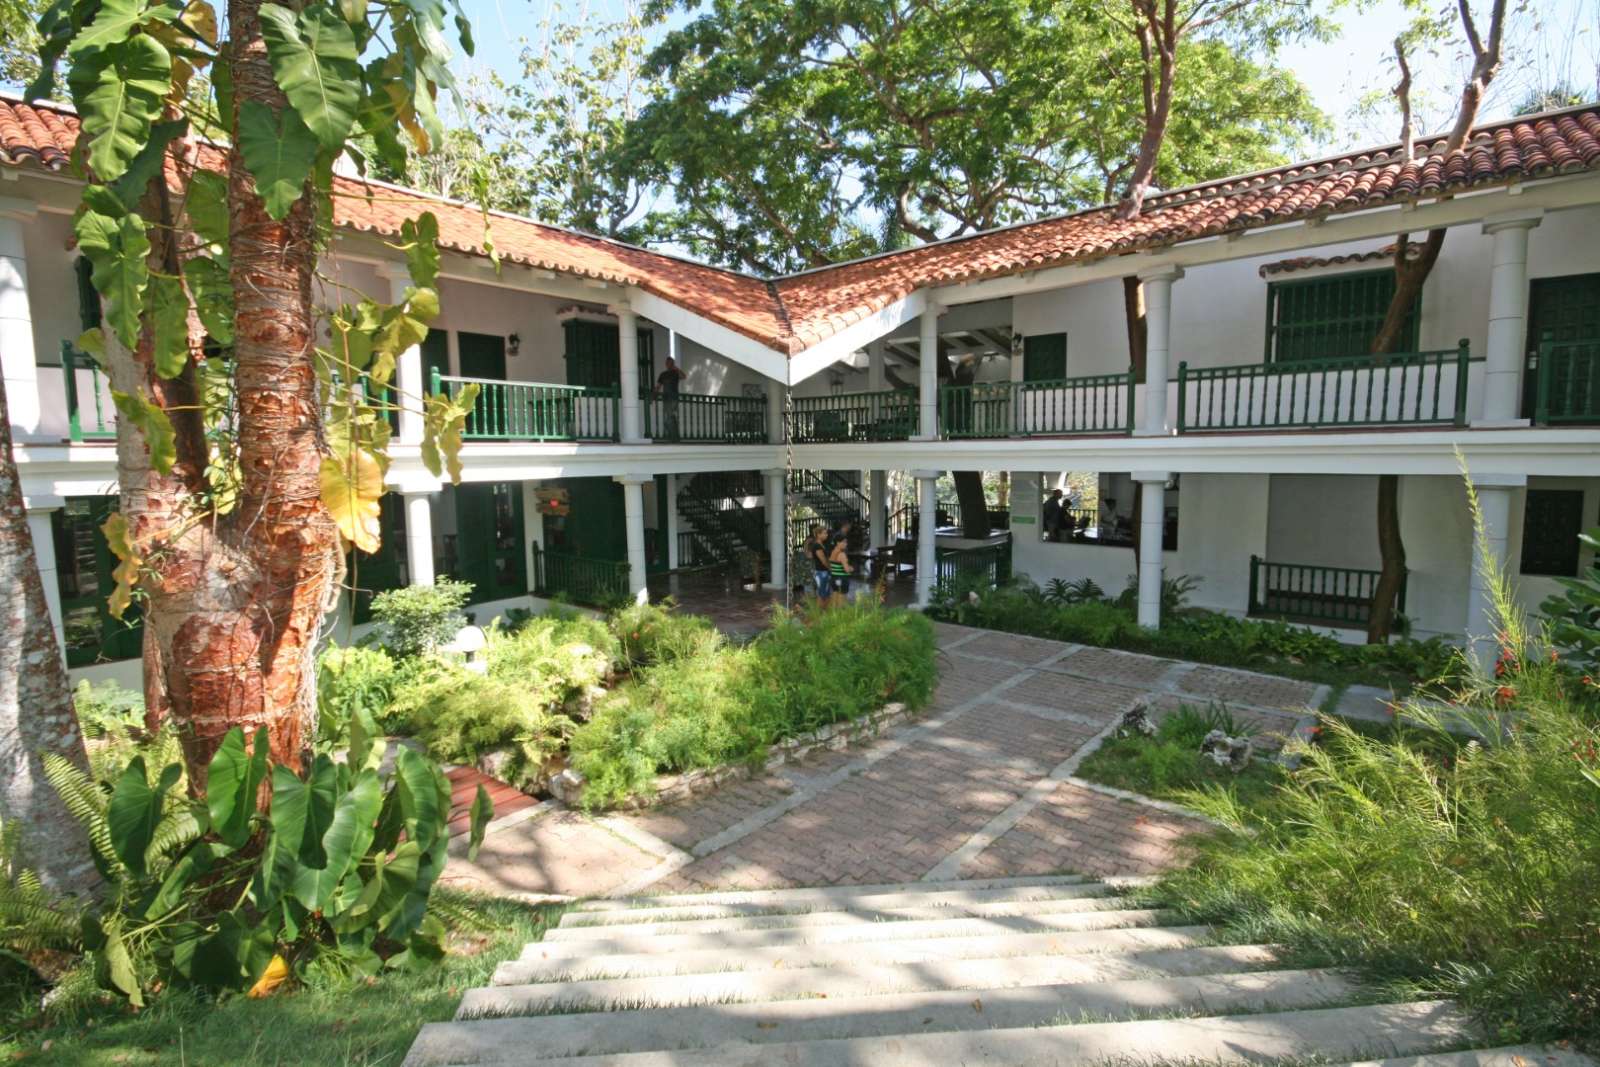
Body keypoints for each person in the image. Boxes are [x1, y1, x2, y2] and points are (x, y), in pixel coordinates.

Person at [654, 356, 687, 440]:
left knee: (669, 417)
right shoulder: (663, 374)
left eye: (671, 363)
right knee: (670, 418)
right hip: (666, 398)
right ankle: (675, 436)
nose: (669, 364)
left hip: (674, 398)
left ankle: (674, 437)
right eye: (667, 363)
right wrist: (654, 395)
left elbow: (683, 376)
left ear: (673, 364)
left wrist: (676, 368)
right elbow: (658, 386)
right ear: (666, 364)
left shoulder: (675, 373)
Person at [803, 524, 831, 599]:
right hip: (821, 572)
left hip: (821, 571)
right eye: (825, 533)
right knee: (822, 594)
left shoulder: (822, 544)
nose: (827, 535)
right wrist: (831, 569)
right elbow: (823, 560)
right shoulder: (816, 545)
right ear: (818, 534)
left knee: (824, 593)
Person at [828, 532, 852, 604]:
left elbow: (832, 566)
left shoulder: (832, 552)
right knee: (841, 605)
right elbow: (847, 570)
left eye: (846, 542)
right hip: (842, 579)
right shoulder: (842, 554)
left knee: (834, 603)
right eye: (844, 542)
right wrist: (851, 568)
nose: (846, 544)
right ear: (838, 543)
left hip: (834, 578)